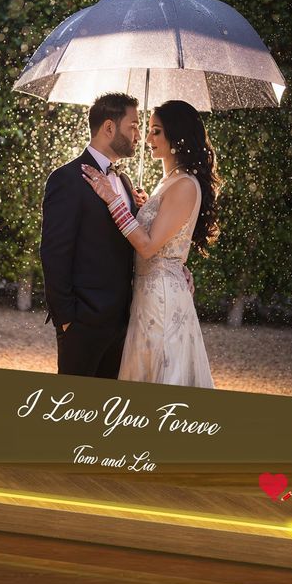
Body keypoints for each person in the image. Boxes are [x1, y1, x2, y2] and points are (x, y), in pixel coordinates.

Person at [81, 99, 220, 388]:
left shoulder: (183, 185)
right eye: (148, 130)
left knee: (161, 374)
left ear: (177, 136)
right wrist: (143, 207)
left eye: (156, 131)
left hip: (162, 301)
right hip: (148, 296)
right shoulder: (167, 182)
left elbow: (147, 246)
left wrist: (113, 200)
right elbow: (164, 236)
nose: (147, 139)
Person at [40, 92, 146, 378]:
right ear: (109, 127)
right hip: (83, 325)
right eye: (133, 125)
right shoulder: (67, 178)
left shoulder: (124, 181)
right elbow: (54, 253)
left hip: (122, 323)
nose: (139, 134)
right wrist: (68, 320)